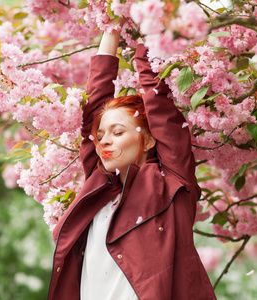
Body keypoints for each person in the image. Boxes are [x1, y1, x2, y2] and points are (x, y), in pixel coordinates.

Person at [47, 22, 217, 300]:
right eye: (101, 135)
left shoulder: (171, 182)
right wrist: (112, 27)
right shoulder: (98, 186)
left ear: (149, 140)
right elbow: (93, 110)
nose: (104, 141)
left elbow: (158, 102)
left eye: (118, 132)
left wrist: (146, 20)